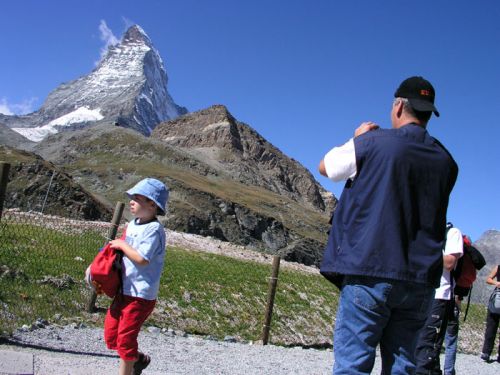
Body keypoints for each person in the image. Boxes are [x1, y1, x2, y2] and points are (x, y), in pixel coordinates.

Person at [319, 76, 458, 374]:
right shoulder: (447, 162)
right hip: (420, 280)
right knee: (404, 365)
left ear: (398, 106)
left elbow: (327, 167)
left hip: (371, 270)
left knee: (353, 364)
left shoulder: (373, 143)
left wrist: (355, 139)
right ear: (428, 113)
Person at [104, 178, 169, 375]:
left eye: (137, 198)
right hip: (124, 289)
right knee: (112, 336)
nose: (131, 201)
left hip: (140, 295)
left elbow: (142, 259)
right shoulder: (132, 225)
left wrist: (122, 245)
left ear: (152, 204)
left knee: (125, 340)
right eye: (131, 197)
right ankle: (138, 360)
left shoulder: (154, 230)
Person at [415, 223, 463, 375]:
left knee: (426, 347)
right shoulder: (426, 232)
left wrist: (423, 250)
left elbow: (449, 262)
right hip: (419, 295)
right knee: (421, 347)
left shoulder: (452, 233)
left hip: (440, 297)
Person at [480, 264, 500, 362]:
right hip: (496, 301)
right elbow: (488, 279)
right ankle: (486, 352)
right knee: (491, 327)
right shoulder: (498, 267)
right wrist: (497, 283)